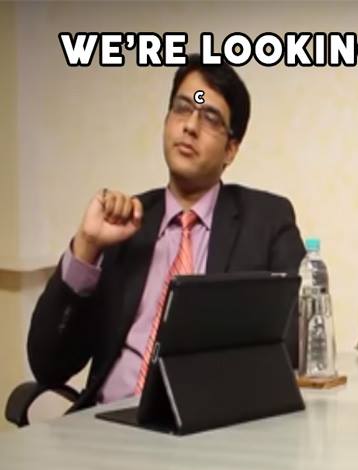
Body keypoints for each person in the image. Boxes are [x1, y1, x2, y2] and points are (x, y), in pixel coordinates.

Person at [27, 55, 306, 409]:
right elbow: (48, 366)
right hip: (108, 423)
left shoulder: (266, 222)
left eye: (210, 118)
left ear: (231, 150)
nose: (190, 126)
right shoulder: (123, 225)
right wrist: (87, 247)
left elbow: (295, 345)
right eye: (182, 108)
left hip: (207, 425)